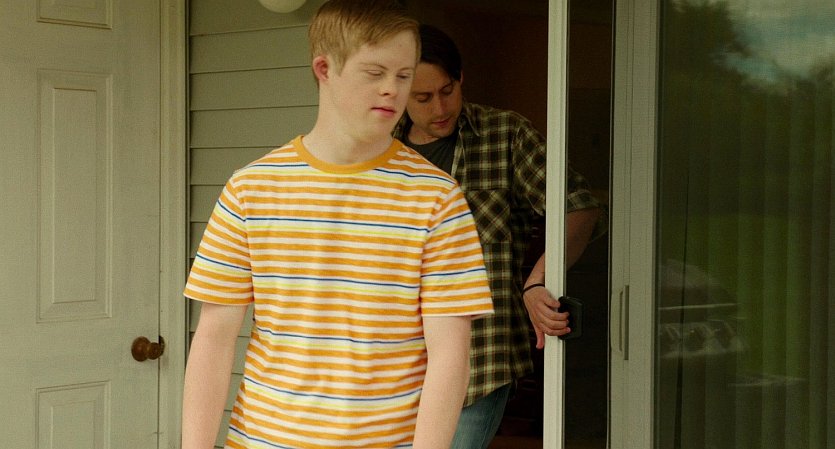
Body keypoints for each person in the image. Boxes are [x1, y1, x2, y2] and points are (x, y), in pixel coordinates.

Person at [181, 3, 494, 448]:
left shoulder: (437, 198)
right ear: (324, 69)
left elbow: (451, 355)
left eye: (403, 75)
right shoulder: (251, 189)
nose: (392, 90)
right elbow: (214, 339)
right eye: (375, 73)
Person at [392, 24, 605, 449]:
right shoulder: (379, 149)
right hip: (391, 363)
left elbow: (579, 206)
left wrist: (537, 281)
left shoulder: (505, 133)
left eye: (448, 90)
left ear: (461, 78)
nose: (440, 107)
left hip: (479, 361)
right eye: (423, 98)